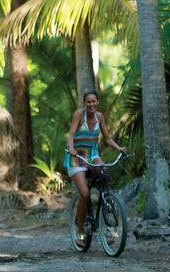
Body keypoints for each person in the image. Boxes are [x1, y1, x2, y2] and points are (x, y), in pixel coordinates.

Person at [64, 90, 126, 247]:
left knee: (104, 175)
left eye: (94, 101)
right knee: (84, 194)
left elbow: (107, 138)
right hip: (76, 157)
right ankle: (80, 231)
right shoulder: (79, 115)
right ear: (84, 103)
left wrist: (119, 148)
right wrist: (71, 148)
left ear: (97, 102)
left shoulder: (99, 117)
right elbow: (71, 135)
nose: (91, 104)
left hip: (92, 155)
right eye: (88, 102)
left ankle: (107, 223)